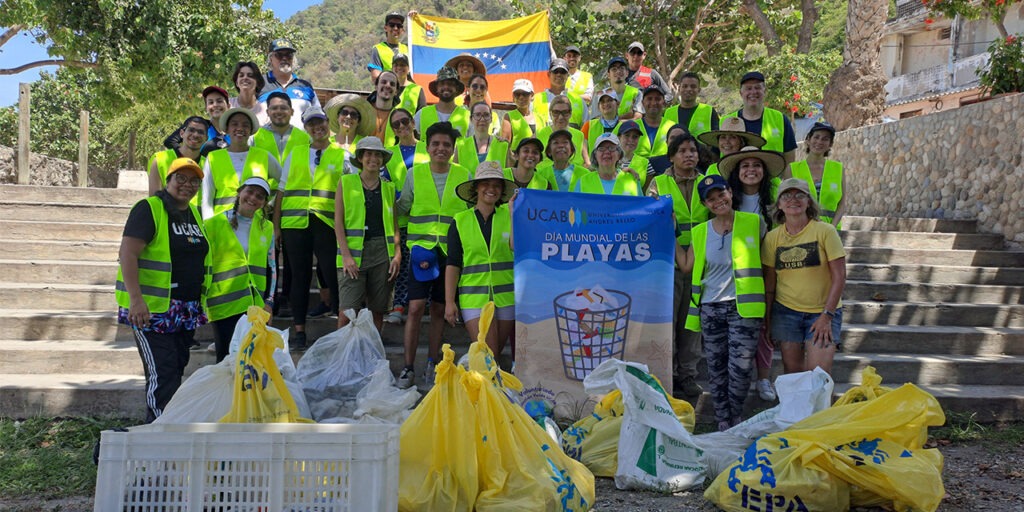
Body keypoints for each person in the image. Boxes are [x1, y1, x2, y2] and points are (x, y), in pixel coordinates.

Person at [116, 157, 209, 422]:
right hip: (152, 310)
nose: (187, 185)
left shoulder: (194, 215)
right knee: (163, 373)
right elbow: (128, 253)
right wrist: (136, 300)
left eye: (194, 181)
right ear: (168, 180)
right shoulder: (150, 208)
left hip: (184, 310)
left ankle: (168, 430)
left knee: (176, 368)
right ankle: (157, 432)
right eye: (180, 178)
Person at [678, 174, 766, 431]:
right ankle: (722, 422)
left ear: (730, 193)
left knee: (739, 369)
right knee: (716, 370)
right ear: (706, 205)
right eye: (711, 199)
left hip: (743, 308)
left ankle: (735, 417)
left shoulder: (754, 223)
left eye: (721, 195)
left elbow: (766, 261)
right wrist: (669, 230)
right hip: (710, 309)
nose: (718, 202)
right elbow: (685, 266)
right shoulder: (700, 232)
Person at [394, 122, 470, 388]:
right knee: (414, 309)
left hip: (450, 252)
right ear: (427, 147)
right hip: (421, 251)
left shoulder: (463, 174)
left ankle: (432, 364)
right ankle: (407, 367)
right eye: (436, 144)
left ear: (452, 149)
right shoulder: (415, 174)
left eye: (446, 145)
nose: (441, 148)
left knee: (439, 310)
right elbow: (401, 206)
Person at [717, 145, 785, 400]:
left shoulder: (774, 202)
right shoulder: (726, 199)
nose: (751, 170)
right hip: (729, 273)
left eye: (756, 165)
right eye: (745, 166)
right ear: (737, 171)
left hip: (765, 270)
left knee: (764, 325)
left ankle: (764, 379)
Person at [275, 107, 347, 349]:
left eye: (321, 123)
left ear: (329, 123)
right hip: (294, 223)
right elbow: (282, 191)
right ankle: (299, 331)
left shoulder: (342, 155)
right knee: (299, 276)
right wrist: (276, 227)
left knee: (331, 271)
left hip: (326, 224)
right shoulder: (295, 153)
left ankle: (340, 325)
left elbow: (351, 190)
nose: (318, 128)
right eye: (312, 124)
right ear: (306, 128)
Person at [762, 178, 847, 375]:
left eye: (800, 195)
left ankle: (821, 407)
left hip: (823, 312)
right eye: (787, 196)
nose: (793, 199)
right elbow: (769, 284)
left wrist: (827, 316)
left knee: (818, 376)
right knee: (793, 376)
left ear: (809, 201)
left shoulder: (825, 231)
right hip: (786, 313)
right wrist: (767, 320)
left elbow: (840, 276)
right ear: (780, 204)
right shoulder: (772, 238)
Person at [646, 134, 709, 398]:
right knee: (667, 323)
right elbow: (649, 221)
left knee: (691, 325)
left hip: (701, 264)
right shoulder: (658, 184)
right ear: (671, 156)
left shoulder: (708, 183)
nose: (689, 155)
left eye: (693, 150)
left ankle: (688, 376)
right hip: (667, 265)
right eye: (682, 151)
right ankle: (666, 376)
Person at [445, 161, 517, 358]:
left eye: (496, 185)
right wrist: (449, 302)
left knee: (492, 357)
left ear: (502, 190)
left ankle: (487, 388)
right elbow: (453, 264)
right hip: (473, 297)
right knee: (488, 353)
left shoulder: (510, 215)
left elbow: (515, 247)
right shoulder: (460, 221)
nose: (491, 189)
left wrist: (513, 214)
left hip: (506, 297)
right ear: (476, 188)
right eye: (485, 183)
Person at [204, 176, 276, 363]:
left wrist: (269, 301)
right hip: (223, 304)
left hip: (255, 304)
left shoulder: (267, 228)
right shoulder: (213, 224)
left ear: (264, 203)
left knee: (252, 361)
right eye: (249, 192)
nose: (253, 198)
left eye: (260, 196)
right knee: (225, 359)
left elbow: (272, 268)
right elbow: (204, 265)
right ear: (239, 192)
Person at [336, 137, 402, 332]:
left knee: (378, 310)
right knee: (347, 311)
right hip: (353, 253)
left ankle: (372, 353)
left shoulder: (388, 187)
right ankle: (341, 356)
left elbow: (394, 224)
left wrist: (397, 254)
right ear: (361, 157)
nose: (373, 158)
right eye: (369, 154)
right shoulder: (346, 182)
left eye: (378, 155)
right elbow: (338, 222)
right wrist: (346, 255)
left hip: (383, 253)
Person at [201, 108, 281, 220]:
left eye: (245, 125)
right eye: (234, 124)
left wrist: (270, 204)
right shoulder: (213, 157)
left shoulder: (264, 156)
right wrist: (208, 225)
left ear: (250, 130)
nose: (240, 128)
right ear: (227, 129)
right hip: (222, 223)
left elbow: (285, 183)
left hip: (255, 223)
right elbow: (207, 197)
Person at [382, 108, 423, 325]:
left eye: (404, 121)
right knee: (403, 264)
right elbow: (386, 186)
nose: (401, 126)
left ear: (413, 123)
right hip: (403, 218)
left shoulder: (429, 147)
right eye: (395, 125)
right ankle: (398, 306)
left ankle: (423, 303)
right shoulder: (389, 154)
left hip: (428, 218)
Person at [724, 71, 797, 163]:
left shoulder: (780, 119)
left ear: (764, 91)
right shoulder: (726, 122)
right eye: (748, 88)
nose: (753, 92)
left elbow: (790, 158)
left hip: (774, 177)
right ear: (741, 93)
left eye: (757, 87)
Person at [782, 122, 845, 228]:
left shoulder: (838, 168)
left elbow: (842, 203)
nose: (819, 141)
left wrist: (832, 227)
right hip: (801, 228)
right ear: (808, 140)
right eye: (816, 137)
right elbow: (786, 201)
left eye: (825, 139)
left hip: (831, 230)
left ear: (830, 144)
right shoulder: (792, 169)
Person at [259, 38, 320, 128]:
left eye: (289, 55)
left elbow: (318, 116)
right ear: (271, 58)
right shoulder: (259, 84)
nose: (284, 58)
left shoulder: (306, 86)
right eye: (279, 55)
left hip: (302, 141)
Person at [252, 92, 312, 179]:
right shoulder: (255, 137)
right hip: (264, 191)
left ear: (292, 112)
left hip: (295, 191)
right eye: (274, 108)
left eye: (283, 108)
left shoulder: (305, 138)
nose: (279, 111)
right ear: (268, 112)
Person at [148, 116, 209, 195]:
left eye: (200, 132)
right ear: (182, 133)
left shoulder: (208, 165)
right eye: (191, 130)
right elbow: (154, 199)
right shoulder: (159, 160)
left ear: (206, 138)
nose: (195, 135)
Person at [697, 116, 767, 176]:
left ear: (742, 142)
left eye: (733, 137)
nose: (727, 142)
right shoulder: (713, 169)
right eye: (723, 137)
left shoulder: (750, 168)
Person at [324, 93, 376, 172]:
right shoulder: (326, 143)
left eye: (353, 115)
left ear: (358, 122)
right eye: (344, 113)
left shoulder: (365, 144)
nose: (348, 117)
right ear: (338, 117)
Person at [574, 133, 641, 195]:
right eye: (601, 148)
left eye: (611, 148)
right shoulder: (583, 181)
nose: (606, 152)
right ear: (595, 155)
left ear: (619, 154)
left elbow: (642, 206)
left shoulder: (632, 180)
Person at [455, 101, 509, 176]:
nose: (482, 119)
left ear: (491, 119)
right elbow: (455, 174)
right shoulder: (461, 146)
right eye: (477, 115)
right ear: (471, 119)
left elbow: (509, 176)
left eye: (486, 115)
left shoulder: (503, 146)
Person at [536, 95, 590, 168]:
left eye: (565, 112)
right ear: (550, 113)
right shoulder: (540, 133)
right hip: (547, 177)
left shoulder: (579, 135)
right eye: (556, 112)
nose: (560, 117)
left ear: (570, 113)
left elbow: (587, 163)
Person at [533, 58, 588, 129]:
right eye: (555, 71)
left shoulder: (579, 100)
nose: (559, 74)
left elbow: (586, 129)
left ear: (568, 75)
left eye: (562, 72)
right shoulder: (536, 99)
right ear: (549, 74)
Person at [416, 66, 470, 136]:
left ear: (457, 88)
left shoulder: (468, 117)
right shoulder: (421, 114)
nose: (446, 87)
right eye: (442, 84)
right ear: (436, 88)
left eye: (450, 84)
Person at [664, 72, 719, 140]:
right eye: (685, 86)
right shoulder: (668, 113)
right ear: (679, 88)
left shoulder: (709, 111)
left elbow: (717, 139)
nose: (689, 89)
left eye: (693, 86)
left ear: (699, 90)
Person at [633, 85, 674, 159]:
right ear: (642, 103)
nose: (653, 103)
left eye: (657, 99)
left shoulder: (673, 128)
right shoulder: (631, 126)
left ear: (664, 103)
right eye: (649, 99)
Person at [369, 12, 409, 82]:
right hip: (388, 91)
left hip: (406, 91)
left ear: (402, 30)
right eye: (392, 25)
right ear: (385, 28)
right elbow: (375, 77)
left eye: (399, 26)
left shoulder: (407, 49)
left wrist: (415, 19)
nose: (396, 28)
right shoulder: (378, 49)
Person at [229, 61, 269, 127]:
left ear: (257, 82)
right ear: (236, 83)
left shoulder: (265, 110)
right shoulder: (227, 105)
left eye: (250, 76)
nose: (245, 78)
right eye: (241, 75)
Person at [584, 89, 623, 153]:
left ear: (618, 104)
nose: (606, 104)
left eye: (609, 100)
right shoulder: (588, 126)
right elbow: (582, 150)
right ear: (598, 107)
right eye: (602, 102)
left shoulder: (625, 126)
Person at [616, 120, 652, 189]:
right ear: (619, 137)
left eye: (635, 137)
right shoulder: (608, 159)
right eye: (627, 135)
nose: (631, 140)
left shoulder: (646, 163)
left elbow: (646, 193)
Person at [370, 70, 401, 141]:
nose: (387, 85)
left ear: (396, 91)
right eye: (383, 82)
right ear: (376, 87)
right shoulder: (363, 111)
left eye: (392, 84)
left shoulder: (400, 117)